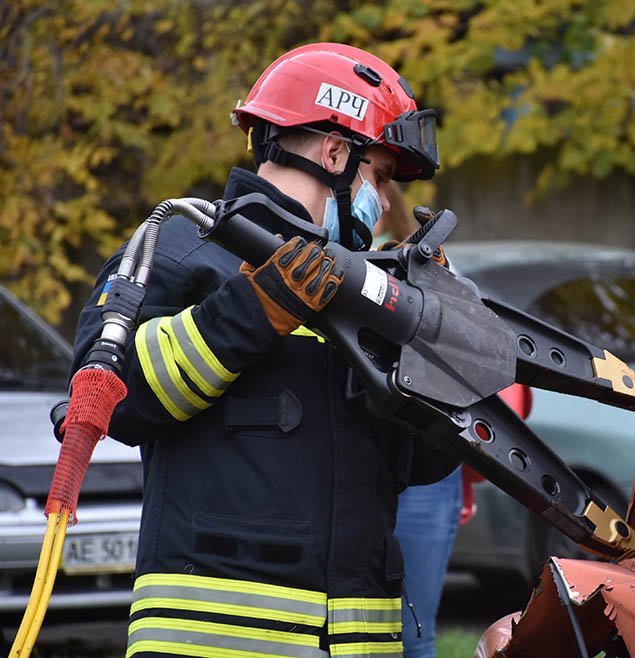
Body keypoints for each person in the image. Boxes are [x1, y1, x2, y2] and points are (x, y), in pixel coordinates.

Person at [70, 43, 456, 658]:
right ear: (334, 152)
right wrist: (254, 312)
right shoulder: (182, 246)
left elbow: (421, 468)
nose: (385, 203)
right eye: (379, 177)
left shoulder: (367, 292)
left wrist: (439, 352)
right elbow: (114, 401)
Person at [373, 184, 464, 658]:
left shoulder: (422, 263)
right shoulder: (310, 256)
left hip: (422, 466)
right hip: (362, 459)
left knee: (412, 633)